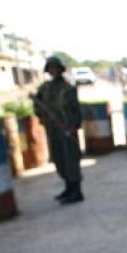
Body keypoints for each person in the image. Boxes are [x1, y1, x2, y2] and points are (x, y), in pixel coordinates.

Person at [34, 56, 84, 204]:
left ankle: (76, 190)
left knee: (71, 160)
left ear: (60, 69)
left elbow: (75, 110)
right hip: (53, 130)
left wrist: (73, 126)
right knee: (59, 159)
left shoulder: (68, 88)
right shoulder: (44, 88)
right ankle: (68, 187)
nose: (53, 71)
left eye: (55, 68)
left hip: (67, 129)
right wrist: (44, 116)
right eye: (50, 68)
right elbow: (38, 105)